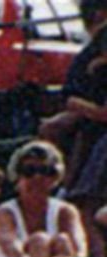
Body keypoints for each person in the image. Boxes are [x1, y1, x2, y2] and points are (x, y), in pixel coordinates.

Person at [0, 141, 88, 257]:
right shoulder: (5, 212)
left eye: (45, 171)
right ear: (17, 177)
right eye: (29, 171)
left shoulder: (66, 211)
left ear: (55, 178)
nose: (38, 177)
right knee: (39, 240)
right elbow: (11, 250)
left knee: (62, 241)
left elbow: (80, 253)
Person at [38, 0, 107, 189]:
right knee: (53, 128)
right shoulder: (89, 52)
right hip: (90, 108)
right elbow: (69, 93)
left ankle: (70, 187)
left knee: (86, 135)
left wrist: (86, 109)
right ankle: (56, 184)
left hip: (96, 114)